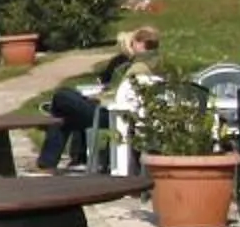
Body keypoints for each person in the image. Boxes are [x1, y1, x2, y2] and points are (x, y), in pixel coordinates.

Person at [42, 26, 159, 170]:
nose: (131, 47)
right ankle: (52, 162)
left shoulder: (137, 67)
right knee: (66, 113)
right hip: (132, 114)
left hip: (111, 114)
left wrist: (99, 98)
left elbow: (122, 94)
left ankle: (49, 162)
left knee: (62, 95)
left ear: (141, 44)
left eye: (133, 43)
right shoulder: (156, 64)